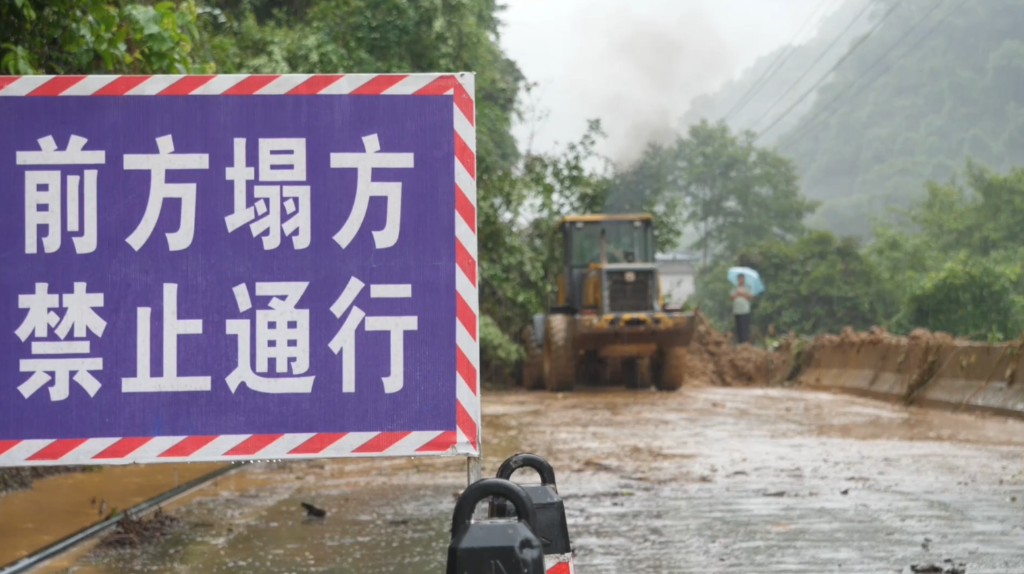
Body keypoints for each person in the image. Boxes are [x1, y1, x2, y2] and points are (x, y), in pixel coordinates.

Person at [730, 274, 754, 344]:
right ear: (737, 280)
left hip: (745, 311)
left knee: (745, 328)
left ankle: (745, 343)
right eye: (739, 279)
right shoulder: (734, 288)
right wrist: (737, 293)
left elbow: (750, 297)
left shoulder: (747, 287)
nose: (741, 280)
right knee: (738, 329)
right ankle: (740, 343)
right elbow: (731, 297)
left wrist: (742, 293)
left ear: (744, 279)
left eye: (742, 278)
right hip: (737, 311)